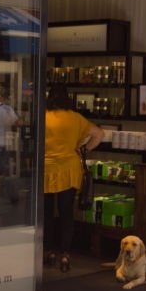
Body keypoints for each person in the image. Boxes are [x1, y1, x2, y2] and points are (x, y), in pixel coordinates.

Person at [44, 84, 103, 273]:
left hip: (46, 169)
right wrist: (84, 149)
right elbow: (99, 134)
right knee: (66, 213)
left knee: (46, 213)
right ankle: (65, 254)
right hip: (69, 169)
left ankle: (49, 251)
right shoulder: (76, 118)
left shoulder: (43, 116)